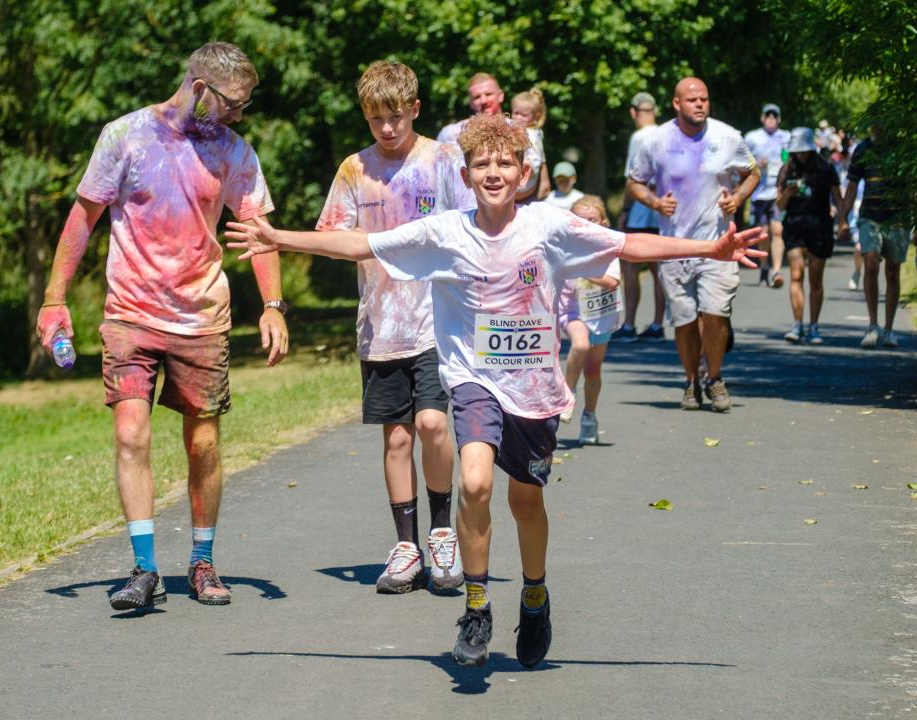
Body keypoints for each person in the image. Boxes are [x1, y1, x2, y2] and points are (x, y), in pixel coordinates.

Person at [225, 113, 765, 668]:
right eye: (482, 163)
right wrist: (278, 238)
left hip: (531, 386)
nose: (493, 172)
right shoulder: (445, 232)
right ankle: (476, 608)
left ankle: (535, 597)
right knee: (476, 483)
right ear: (465, 174)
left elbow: (628, 245)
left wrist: (709, 251)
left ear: (524, 171)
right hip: (472, 378)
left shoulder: (549, 226)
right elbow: (362, 244)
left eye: (505, 163)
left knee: (525, 501)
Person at [35, 43, 289, 611]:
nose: (238, 115)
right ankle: (143, 568)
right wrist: (55, 300)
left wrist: (273, 304)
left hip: (200, 317)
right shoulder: (123, 136)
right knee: (130, 433)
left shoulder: (233, 151)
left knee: (202, 442)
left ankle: (201, 562)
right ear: (200, 87)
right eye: (232, 104)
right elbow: (84, 218)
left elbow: (258, 228)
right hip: (129, 314)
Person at [316, 61, 472, 593]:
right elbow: (334, 234)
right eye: (376, 118)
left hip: (438, 320)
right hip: (381, 324)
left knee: (432, 424)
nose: (387, 128)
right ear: (366, 115)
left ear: (415, 110)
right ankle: (406, 546)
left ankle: (443, 533)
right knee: (398, 436)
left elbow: (477, 225)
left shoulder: (445, 160)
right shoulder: (354, 171)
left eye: (396, 117)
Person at [627, 77, 760, 413]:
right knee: (684, 320)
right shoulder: (655, 141)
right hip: (675, 246)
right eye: (692, 100)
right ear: (676, 104)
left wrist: (738, 198)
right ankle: (690, 381)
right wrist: (656, 203)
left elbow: (752, 173)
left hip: (718, 244)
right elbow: (634, 182)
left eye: (704, 99)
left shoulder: (727, 137)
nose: (700, 104)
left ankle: (714, 378)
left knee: (715, 314)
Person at [839, 122, 912, 348]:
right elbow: (851, 187)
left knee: (893, 271)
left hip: (897, 218)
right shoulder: (863, 149)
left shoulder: (902, 149)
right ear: (871, 126)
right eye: (875, 124)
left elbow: (911, 186)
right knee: (870, 263)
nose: (878, 128)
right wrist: (843, 218)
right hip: (869, 216)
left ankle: (889, 329)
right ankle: (873, 325)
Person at [558, 195, 621, 444]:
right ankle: (567, 393)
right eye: (579, 220)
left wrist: (581, 267)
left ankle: (589, 416)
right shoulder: (562, 247)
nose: (586, 225)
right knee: (580, 344)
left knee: (593, 370)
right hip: (570, 313)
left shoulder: (608, 249)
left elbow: (612, 281)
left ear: (603, 222)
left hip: (600, 315)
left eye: (591, 220)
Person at [776, 127, 842, 344]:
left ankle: (814, 326)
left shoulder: (826, 169)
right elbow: (779, 205)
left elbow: (837, 199)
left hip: (820, 225)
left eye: (805, 151)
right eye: (798, 152)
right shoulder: (787, 170)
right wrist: (788, 193)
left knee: (815, 280)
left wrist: (842, 221)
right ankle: (797, 325)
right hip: (795, 224)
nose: (801, 155)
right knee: (796, 274)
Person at [615, 91, 666, 342]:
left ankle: (629, 324)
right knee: (659, 268)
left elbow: (632, 179)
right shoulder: (667, 133)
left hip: (640, 210)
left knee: (630, 265)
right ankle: (658, 323)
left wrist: (624, 210)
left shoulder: (639, 137)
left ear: (634, 112)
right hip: (662, 210)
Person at [744, 103, 791, 288]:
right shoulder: (752, 137)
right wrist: (756, 164)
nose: (771, 119)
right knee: (763, 234)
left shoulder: (786, 137)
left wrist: (786, 165)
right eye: (768, 116)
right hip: (759, 193)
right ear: (762, 118)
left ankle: (776, 270)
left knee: (777, 230)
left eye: (775, 116)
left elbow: (790, 159)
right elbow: (742, 161)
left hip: (778, 191)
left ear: (779, 119)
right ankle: (764, 267)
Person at [436, 72, 504, 145]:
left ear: (500, 96)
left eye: (488, 94)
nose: (483, 101)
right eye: (477, 97)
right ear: (470, 103)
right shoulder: (451, 135)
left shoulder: (516, 130)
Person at [510, 88, 551, 202]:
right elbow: (541, 158)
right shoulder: (538, 132)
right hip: (529, 185)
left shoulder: (524, 133)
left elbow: (533, 162)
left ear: (536, 117)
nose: (518, 118)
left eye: (523, 115)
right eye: (515, 113)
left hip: (521, 185)